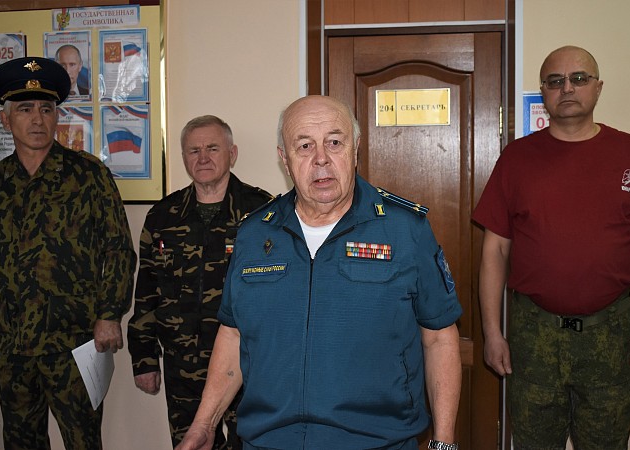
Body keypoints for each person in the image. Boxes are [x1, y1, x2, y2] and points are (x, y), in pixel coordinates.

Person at [176, 95, 463, 450]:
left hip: (376, 443)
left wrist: (444, 442)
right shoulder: (254, 234)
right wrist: (204, 423)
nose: (321, 158)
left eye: (334, 142)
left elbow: (439, 338)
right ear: (284, 159)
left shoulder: (405, 229)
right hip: (269, 443)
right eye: (304, 146)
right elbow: (234, 335)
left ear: (355, 149)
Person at [473, 45, 630, 449]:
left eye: (578, 78)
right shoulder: (517, 159)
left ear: (598, 87)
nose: (567, 88)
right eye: (555, 81)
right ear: (543, 92)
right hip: (533, 334)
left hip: (610, 335)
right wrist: (492, 332)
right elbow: (494, 252)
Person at [0, 57, 136, 448]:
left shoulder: (88, 175)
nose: (38, 119)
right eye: (25, 109)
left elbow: (117, 249)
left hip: (75, 340)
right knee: (21, 441)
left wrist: (110, 314)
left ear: (57, 117)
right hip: (11, 344)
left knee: (83, 440)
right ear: (5, 120)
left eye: (46, 109)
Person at [127, 115, 273, 447]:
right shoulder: (163, 216)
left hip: (247, 365)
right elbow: (146, 291)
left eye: (212, 148)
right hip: (183, 369)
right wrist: (143, 358)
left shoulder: (263, 212)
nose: (203, 158)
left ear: (232, 154)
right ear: (183, 157)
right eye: (194, 151)